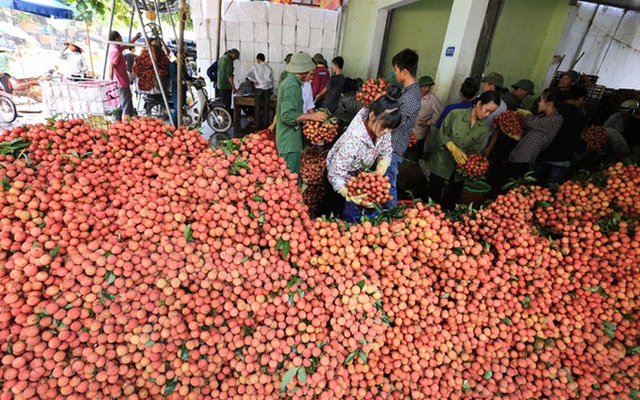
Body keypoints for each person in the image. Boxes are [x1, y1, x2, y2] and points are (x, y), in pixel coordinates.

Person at [325, 85, 402, 222]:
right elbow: (335, 173)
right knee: (335, 220)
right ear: (372, 115)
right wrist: (346, 192)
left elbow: (386, 151)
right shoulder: (353, 140)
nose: (386, 132)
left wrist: (382, 166)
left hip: (358, 179)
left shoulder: (382, 129)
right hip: (338, 180)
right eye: (385, 127)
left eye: (390, 129)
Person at [425, 91, 501, 210]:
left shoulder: (484, 128)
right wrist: (452, 147)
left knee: (453, 201)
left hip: (460, 170)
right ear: (479, 103)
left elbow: (474, 150)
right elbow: (441, 134)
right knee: (432, 198)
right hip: (442, 163)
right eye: (486, 110)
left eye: (491, 112)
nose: (487, 114)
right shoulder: (455, 115)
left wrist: (472, 165)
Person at [275, 52, 328, 175]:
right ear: (303, 71)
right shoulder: (292, 86)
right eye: (311, 74)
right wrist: (312, 116)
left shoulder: (291, 82)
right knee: (290, 177)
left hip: (289, 139)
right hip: (289, 141)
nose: (312, 78)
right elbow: (286, 116)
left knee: (289, 176)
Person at [384, 48, 421, 207]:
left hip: (393, 148)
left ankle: (390, 216)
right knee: (383, 183)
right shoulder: (406, 92)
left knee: (388, 185)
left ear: (404, 71)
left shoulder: (411, 97)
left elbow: (396, 123)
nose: (395, 74)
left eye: (396, 70)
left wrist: (382, 110)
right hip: (390, 146)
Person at [535, 86, 587, 187]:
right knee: (547, 193)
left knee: (530, 188)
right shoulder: (579, 116)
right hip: (562, 160)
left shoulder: (556, 110)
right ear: (581, 98)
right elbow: (576, 138)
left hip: (544, 155)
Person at [508, 88, 564, 180]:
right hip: (517, 156)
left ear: (549, 104)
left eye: (541, 100)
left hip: (525, 160)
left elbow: (532, 122)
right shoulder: (542, 116)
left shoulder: (556, 119)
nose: (538, 103)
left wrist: (525, 114)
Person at [108, 30, 141, 119]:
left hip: (123, 81)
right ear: (116, 38)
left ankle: (130, 122)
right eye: (120, 37)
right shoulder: (115, 51)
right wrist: (111, 82)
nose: (122, 39)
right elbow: (111, 67)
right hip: (120, 83)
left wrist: (136, 37)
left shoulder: (117, 47)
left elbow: (127, 45)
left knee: (128, 104)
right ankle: (125, 125)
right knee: (126, 106)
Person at [412, 75, 443, 157]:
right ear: (420, 87)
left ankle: (415, 163)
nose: (427, 89)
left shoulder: (432, 98)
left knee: (418, 149)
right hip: (409, 127)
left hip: (421, 129)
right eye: (425, 86)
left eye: (429, 87)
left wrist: (429, 122)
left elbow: (440, 112)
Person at [246, 53, 274, 130]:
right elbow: (272, 80)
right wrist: (272, 89)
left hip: (258, 88)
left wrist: (255, 80)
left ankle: (257, 125)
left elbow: (248, 75)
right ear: (264, 59)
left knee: (257, 107)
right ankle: (266, 124)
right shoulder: (269, 67)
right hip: (267, 88)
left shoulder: (255, 66)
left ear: (258, 59)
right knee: (266, 107)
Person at [169, 51, 194, 127]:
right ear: (177, 55)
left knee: (182, 108)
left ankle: (179, 125)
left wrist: (194, 79)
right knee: (178, 109)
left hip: (183, 90)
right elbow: (174, 78)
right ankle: (172, 126)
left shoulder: (182, 65)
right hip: (176, 90)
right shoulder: (173, 65)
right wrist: (185, 81)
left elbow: (186, 76)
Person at [217, 48, 240, 112]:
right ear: (232, 54)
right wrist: (233, 88)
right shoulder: (228, 60)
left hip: (220, 84)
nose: (235, 59)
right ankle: (225, 119)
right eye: (235, 57)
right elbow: (229, 76)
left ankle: (222, 118)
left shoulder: (222, 58)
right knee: (227, 104)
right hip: (226, 85)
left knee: (222, 103)